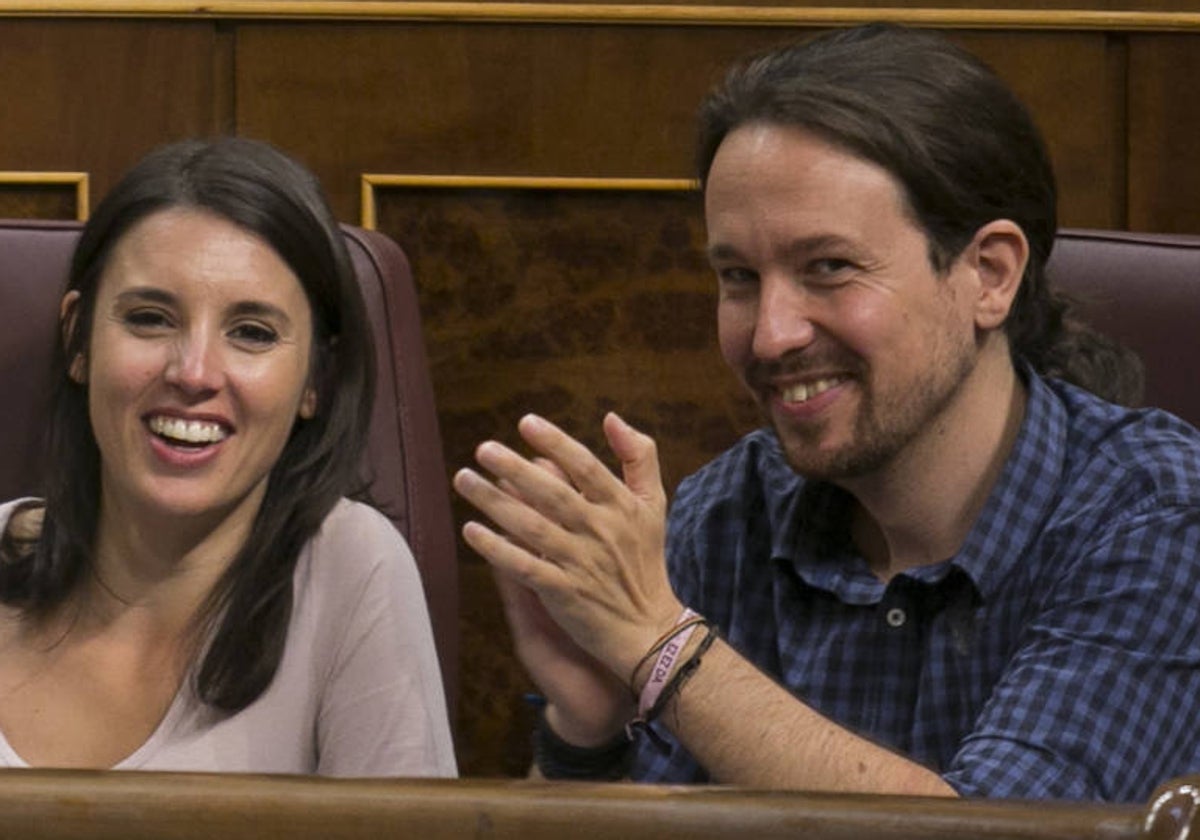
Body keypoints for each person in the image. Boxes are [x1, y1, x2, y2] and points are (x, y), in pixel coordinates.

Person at [452, 23, 1200, 802]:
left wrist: (663, 648)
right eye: (739, 276)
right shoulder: (722, 515)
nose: (771, 334)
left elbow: (999, 831)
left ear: (989, 275)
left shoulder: (1160, 516)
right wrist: (587, 732)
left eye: (829, 268)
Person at [0, 137, 456, 777]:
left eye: (252, 332)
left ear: (316, 379)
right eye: (151, 318)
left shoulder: (351, 570)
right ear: (79, 339)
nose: (194, 373)